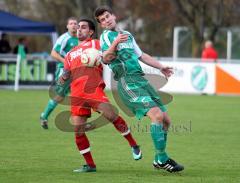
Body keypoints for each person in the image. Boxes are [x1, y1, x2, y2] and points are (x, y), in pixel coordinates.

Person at [94, 6, 184, 172]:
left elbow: (142, 56)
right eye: (103, 20)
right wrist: (114, 43)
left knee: (166, 121)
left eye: (108, 16)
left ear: (114, 16)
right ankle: (163, 159)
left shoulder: (127, 35)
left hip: (141, 80)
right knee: (156, 116)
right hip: (127, 82)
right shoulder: (106, 37)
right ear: (101, 25)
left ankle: (158, 159)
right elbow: (106, 58)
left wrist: (161, 67)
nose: (107, 20)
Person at [58, 18, 142, 173]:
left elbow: (111, 53)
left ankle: (133, 144)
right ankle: (90, 165)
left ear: (90, 31)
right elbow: (66, 73)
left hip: (93, 89)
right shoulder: (70, 54)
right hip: (76, 93)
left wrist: (115, 44)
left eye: (83, 27)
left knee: (111, 115)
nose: (79, 29)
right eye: (78, 27)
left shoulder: (97, 43)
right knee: (78, 130)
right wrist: (62, 78)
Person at [39, 17, 79, 129]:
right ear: (67, 26)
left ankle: (78, 122)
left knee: (78, 94)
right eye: (71, 23)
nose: (73, 25)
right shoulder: (64, 38)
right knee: (59, 96)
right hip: (64, 70)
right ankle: (44, 116)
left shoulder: (81, 38)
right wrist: (66, 62)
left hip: (76, 71)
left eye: (75, 23)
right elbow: (53, 53)